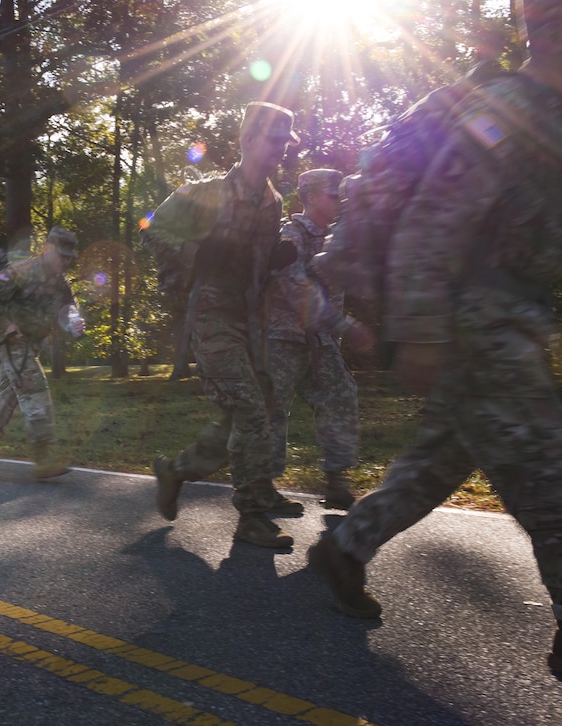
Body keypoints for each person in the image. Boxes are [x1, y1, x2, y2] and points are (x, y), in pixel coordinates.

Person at [307, 0, 562, 679]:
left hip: (509, 323)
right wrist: (417, 331)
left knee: (438, 463)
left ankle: (346, 548)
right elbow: (433, 218)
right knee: (550, 483)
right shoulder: (510, 106)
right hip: (475, 325)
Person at [149, 101, 305, 548]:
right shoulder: (206, 191)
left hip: (250, 317)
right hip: (212, 315)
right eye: (274, 140)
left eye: (285, 142)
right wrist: (198, 252)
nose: (281, 150)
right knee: (251, 408)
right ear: (248, 139)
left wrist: (275, 260)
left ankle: (178, 471)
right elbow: (150, 227)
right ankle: (251, 515)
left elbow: (255, 265)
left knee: (257, 408)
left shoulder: (273, 201)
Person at [266, 169, 374, 511]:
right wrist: (345, 325)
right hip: (284, 339)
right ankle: (262, 487)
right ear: (311, 197)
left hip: (319, 340)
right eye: (332, 194)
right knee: (272, 412)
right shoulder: (291, 235)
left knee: (340, 395)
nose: (338, 201)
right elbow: (298, 289)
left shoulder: (334, 237)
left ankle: (336, 481)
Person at [0, 226, 84, 480]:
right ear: (47, 249)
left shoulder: (60, 283)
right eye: (62, 254)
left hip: (31, 346)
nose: (67, 261)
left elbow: (68, 311)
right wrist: (6, 325)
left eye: (70, 256)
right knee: (34, 388)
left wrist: (75, 322)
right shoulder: (22, 271)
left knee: (7, 400)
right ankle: (44, 457)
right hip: (11, 341)